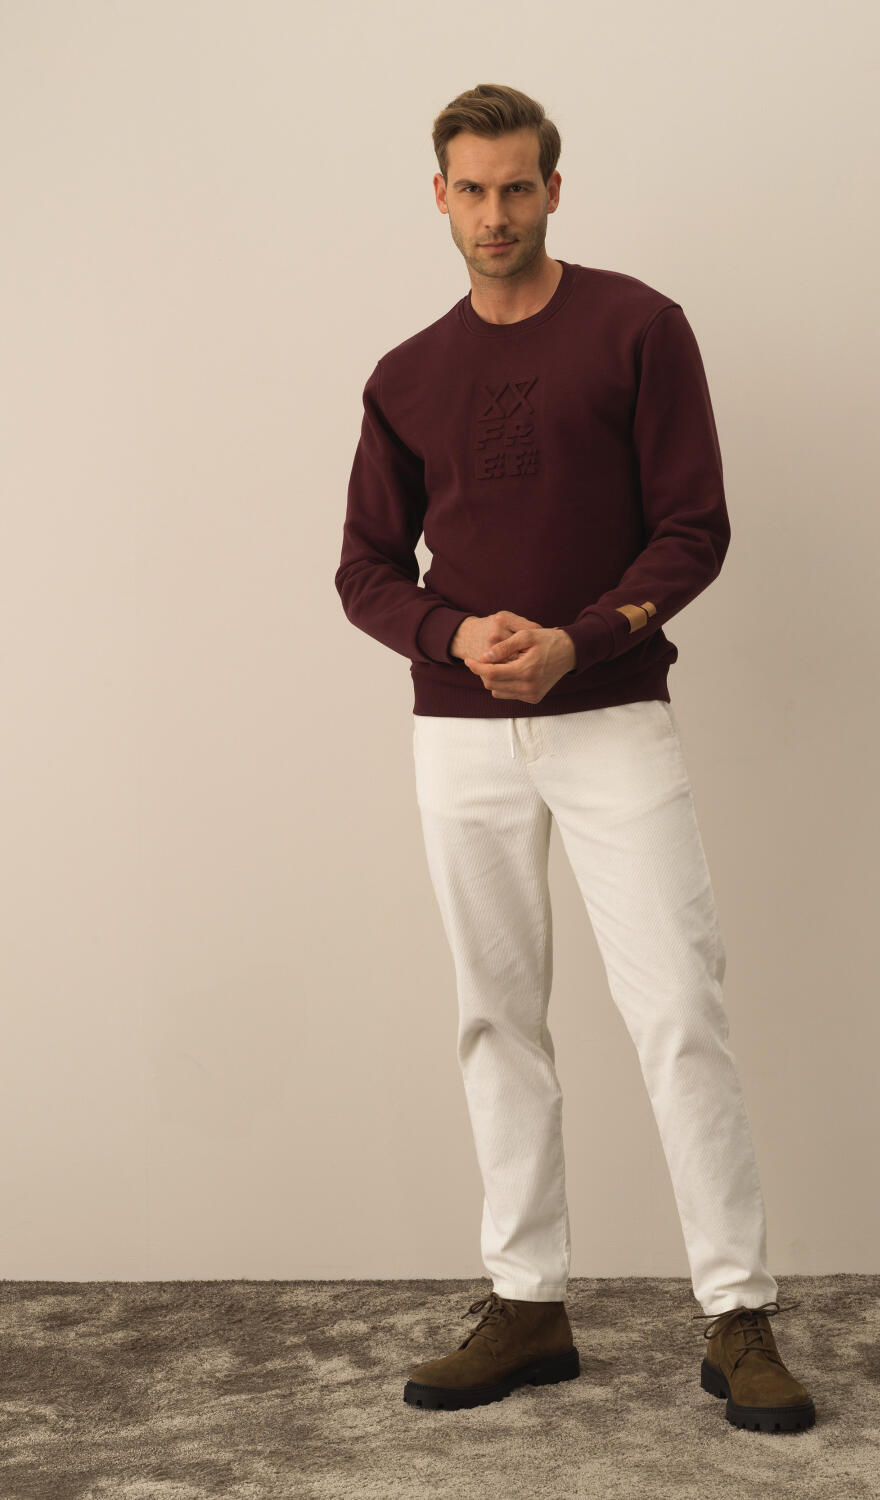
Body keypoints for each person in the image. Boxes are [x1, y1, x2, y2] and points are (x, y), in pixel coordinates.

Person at [334, 82, 816, 1434]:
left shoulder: (637, 329)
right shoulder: (406, 375)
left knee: (678, 1009)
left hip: (611, 718)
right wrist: (449, 631)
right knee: (495, 1013)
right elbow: (366, 567)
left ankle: (737, 1314)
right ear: (438, 197)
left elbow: (693, 528)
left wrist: (581, 640)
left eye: (516, 188)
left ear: (553, 189)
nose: (494, 214)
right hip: (459, 734)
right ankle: (527, 1301)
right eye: (471, 190)